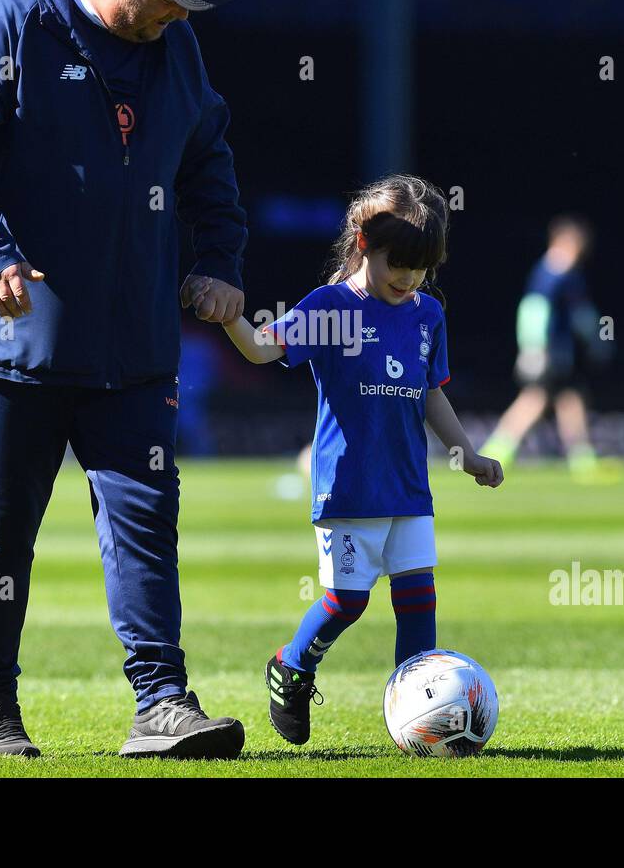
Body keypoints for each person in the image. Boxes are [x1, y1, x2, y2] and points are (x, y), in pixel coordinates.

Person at [0, 0, 248, 760]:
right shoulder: (17, 21)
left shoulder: (173, 45)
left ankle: (162, 701)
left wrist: (218, 258)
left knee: (148, 522)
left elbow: (208, 158)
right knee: (0, 534)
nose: (184, 14)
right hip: (19, 342)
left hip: (135, 345)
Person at [216, 174, 504, 745]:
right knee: (347, 600)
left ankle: (423, 718)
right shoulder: (331, 309)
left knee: (418, 600)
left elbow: (429, 392)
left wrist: (466, 453)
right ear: (364, 244)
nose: (411, 278)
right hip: (349, 488)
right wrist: (229, 315)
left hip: (408, 490)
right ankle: (292, 666)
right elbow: (261, 348)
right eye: (400, 263)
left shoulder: (426, 314)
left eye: (423, 268)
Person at [482, 216, 608, 475]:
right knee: (536, 400)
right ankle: (495, 451)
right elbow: (533, 310)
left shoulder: (565, 275)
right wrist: (533, 349)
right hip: (548, 353)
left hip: (560, 355)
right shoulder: (551, 273)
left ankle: (581, 459)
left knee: (569, 399)